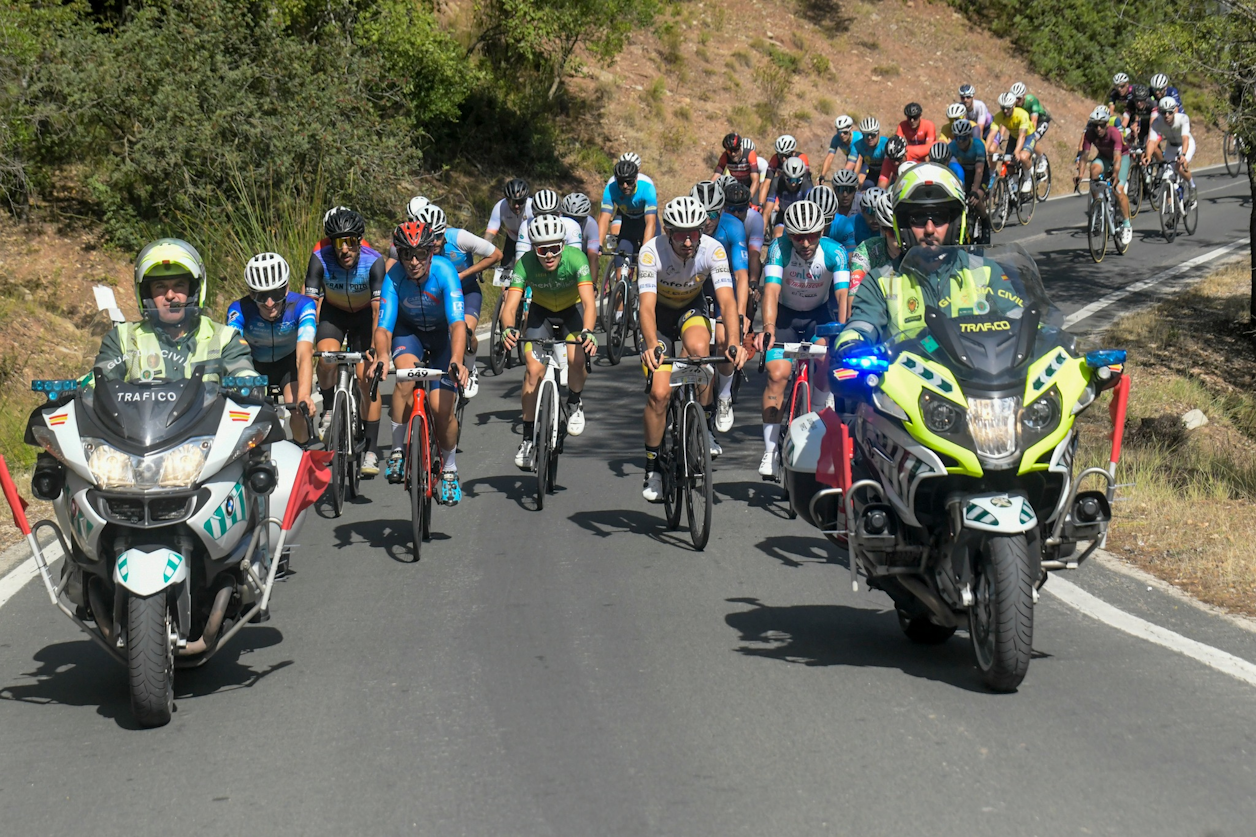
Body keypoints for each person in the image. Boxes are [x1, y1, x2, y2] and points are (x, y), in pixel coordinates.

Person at [638, 196, 743, 500]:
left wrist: (734, 344)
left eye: (694, 233)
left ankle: (703, 421)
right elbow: (645, 308)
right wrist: (650, 345)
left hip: (690, 309)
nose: (688, 241)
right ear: (668, 231)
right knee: (659, 394)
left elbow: (726, 301)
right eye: (681, 234)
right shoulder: (650, 253)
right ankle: (653, 467)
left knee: (699, 351)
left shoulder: (713, 249)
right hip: (657, 317)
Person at [837, 164, 983, 353]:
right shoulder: (879, 283)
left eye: (939, 218)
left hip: (977, 378)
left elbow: (1023, 321)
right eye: (918, 219)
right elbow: (861, 324)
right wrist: (850, 344)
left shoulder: (985, 273)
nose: (930, 229)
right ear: (903, 226)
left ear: (956, 223)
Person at [374, 221, 469, 504]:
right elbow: (384, 328)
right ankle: (397, 451)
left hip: (442, 337)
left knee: (443, 411)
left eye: (420, 254)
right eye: (406, 255)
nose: (413, 262)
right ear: (399, 255)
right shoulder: (393, 277)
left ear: (431, 253)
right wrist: (381, 356)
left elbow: (458, 324)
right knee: (404, 379)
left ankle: (450, 470)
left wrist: (456, 360)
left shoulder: (444, 271)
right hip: (409, 334)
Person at [756, 200, 849, 479]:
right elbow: (771, 291)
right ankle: (770, 451)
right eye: (798, 236)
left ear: (822, 232)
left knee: (826, 362)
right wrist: (769, 327)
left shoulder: (836, 252)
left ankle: (818, 415)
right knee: (777, 374)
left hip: (818, 319)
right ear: (789, 235)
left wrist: (844, 332)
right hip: (784, 318)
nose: (806, 243)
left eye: (812, 236)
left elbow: (843, 296)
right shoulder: (778, 249)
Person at [500, 215, 598, 470]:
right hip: (540, 314)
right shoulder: (525, 264)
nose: (549, 255)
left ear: (563, 245)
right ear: (534, 248)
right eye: (542, 250)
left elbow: (588, 302)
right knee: (533, 371)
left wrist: (587, 330)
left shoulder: (577, 259)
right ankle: (527, 439)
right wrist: (508, 329)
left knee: (577, 360)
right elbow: (510, 306)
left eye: (555, 248)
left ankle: (574, 401)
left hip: (570, 312)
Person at [94, 238, 257, 384]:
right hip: (142, 418)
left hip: (206, 418)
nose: (170, 295)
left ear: (194, 291)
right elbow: (99, 378)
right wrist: (80, 388)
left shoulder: (224, 339)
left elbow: (242, 369)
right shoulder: (123, 339)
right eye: (160, 286)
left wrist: (248, 381)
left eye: (179, 285)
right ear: (146, 295)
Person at [304, 206, 386, 476]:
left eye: (351, 241)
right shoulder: (319, 258)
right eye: (338, 242)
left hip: (364, 316)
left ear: (360, 240)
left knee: (366, 376)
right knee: (326, 357)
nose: (345, 249)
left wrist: (375, 348)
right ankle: (329, 408)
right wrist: (308, 338)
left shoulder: (374, 261)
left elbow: (377, 311)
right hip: (334, 314)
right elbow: (311, 304)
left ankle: (371, 450)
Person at [400, 204, 500, 401]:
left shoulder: (459, 238)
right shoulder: (415, 249)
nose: (435, 241)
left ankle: (470, 368)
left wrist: (464, 274)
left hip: (466, 291)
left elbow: (496, 255)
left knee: (466, 331)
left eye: (439, 235)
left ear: (445, 230)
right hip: (438, 297)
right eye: (431, 236)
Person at [226, 252, 317, 443]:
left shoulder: (303, 305)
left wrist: (304, 396)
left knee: (298, 411)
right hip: (253, 366)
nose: (269, 303)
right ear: (251, 294)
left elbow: (304, 354)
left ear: (286, 288)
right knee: (248, 415)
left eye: (275, 294)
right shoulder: (238, 310)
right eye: (261, 296)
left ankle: (302, 450)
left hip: (288, 364)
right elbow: (231, 354)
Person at [692, 180, 750, 433]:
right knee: (693, 348)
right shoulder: (686, 228)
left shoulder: (733, 227)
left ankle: (724, 395)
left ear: (722, 210)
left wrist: (740, 314)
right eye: (703, 214)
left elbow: (742, 276)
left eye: (713, 214)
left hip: (720, 287)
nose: (707, 221)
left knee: (726, 338)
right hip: (692, 289)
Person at [1074, 106, 1133, 246]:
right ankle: (1098, 208)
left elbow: (1118, 157)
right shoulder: (1090, 133)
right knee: (1094, 169)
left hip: (1121, 157)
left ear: (1107, 124)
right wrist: (1080, 174)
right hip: (1104, 157)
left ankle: (1126, 224)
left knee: (1118, 189)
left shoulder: (1114, 133)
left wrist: (1115, 174)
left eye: (1101, 126)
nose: (1098, 129)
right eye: (1095, 126)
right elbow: (1085, 155)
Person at [598, 158, 659, 259]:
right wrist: (599, 244)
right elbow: (604, 218)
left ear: (636, 178)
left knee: (647, 264)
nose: (625, 186)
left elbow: (650, 222)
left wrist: (645, 250)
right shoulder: (610, 188)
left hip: (645, 220)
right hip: (627, 222)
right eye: (621, 182)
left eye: (629, 181)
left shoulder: (647, 187)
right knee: (620, 259)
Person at [847, 188, 901, 297]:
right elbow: (851, 256)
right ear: (862, 210)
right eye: (871, 212)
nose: (875, 219)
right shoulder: (852, 223)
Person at [1145, 96, 1197, 208]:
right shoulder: (1157, 123)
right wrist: (1148, 156)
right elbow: (1151, 141)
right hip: (1171, 147)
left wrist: (1183, 154)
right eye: (1163, 112)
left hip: (1185, 145)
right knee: (1167, 177)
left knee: (1180, 167)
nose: (1166, 115)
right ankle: (1170, 209)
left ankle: (1192, 186)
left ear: (1175, 111)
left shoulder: (1183, 118)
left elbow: (1185, 139)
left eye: (1169, 112)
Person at [948, 119, 990, 243]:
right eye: (958, 138)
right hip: (965, 174)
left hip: (981, 174)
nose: (960, 142)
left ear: (969, 136)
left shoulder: (978, 145)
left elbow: (979, 171)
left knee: (975, 201)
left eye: (964, 138)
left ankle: (985, 222)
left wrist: (975, 191)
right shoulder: (952, 146)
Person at [987, 92, 1035, 194]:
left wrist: (1017, 151)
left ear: (1013, 105)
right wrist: (985, 150)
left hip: (1027, 136)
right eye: (1002, 107)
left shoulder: (1022, 114)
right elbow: (992, 135)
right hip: (1013, 137)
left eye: (1008, 108)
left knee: (1022, 157)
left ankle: (1028, 178)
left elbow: (1022, 135)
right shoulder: (999, 116)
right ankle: (1015, 181)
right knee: (1009, 164)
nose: (1005, 110)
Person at [723, 180, 765, 289]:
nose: (736, 214)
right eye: (732, 209)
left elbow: (754, 253)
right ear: (724, 207)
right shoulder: (717, 218)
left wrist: (753, 282)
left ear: (748, 207)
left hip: (744, 261)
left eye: (741, 209)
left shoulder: (755, 218)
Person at [485, 178, 533, 267]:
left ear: (526, 199)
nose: (516, 206)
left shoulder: (532, 207)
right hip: (512, 239)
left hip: (531, 241)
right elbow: (489, 235)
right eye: (512, 202)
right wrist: (485, 257)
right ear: (507, 200)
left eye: (520, 201)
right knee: (505, 271)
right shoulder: (500, 207)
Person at [759, 134, 812, 208]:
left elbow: (805, 182)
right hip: (783, 188)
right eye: (780, 156)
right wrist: (760, 205)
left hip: (799, 188)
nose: (783, 159)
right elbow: (766, 183)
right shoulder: (775, 159)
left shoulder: (802, 158)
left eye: (787, 156)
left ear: (793, 152)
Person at [766, 156, 811, 238]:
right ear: (784, 176)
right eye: (790, 180)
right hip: (784, 215)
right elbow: (767, 211)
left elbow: (812, 210)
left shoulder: (806, 185)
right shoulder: (777, 182)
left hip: (801, 217)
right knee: (778, 236)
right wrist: (760, 234)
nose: (793, 184)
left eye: (797, 180)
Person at [562, 192, 601, 282]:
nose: (573, 223)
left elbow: (593, 258)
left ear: (585, 218)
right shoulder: (556, 221)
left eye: (578, 220)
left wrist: (592, 286)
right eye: (568, 217)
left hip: (582, 255)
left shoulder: (590, 224)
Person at [712, 132, 762, 198]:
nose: (733, 154)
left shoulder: (750, 154)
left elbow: (755, 180)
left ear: (740, 147)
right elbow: (716, 176)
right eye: (729, 151)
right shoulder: (725, 156)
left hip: (751, 185)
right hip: (736, 186)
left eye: (735, 150)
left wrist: (748, 199)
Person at [820, 115, 862, 181]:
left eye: (845, 132)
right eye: (839, 132)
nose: (842, 135)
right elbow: (830, 157)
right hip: (851, 160)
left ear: (851, 129)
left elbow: (857, 160)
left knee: (859, 182)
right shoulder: (836, 139)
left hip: (864, 162)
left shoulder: (858, 139)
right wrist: (822, 176)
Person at [853, 117, 889, 189]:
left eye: (873, 134)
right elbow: (852, 162)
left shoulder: (886, 144)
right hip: (872, 173)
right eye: (866, 135)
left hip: (886, 173)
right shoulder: (858, 145)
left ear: (878, 133)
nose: (869, 138)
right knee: (864, 190)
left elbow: (889, 167)